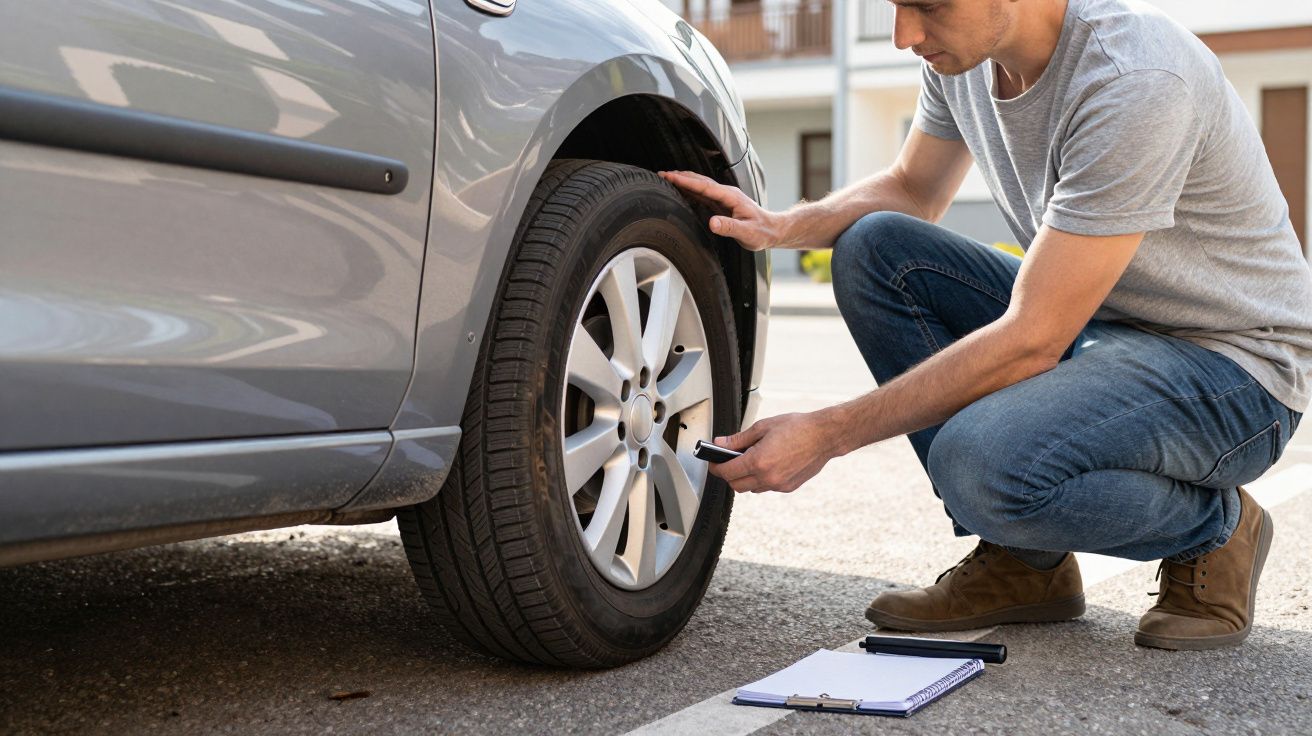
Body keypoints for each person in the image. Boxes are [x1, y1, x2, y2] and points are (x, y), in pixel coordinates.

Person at [659, 0, 1312, 651]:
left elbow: (1033, 341)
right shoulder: (967, 56)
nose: (903, 36)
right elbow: (914, 187)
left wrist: (826, 435)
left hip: (1234, 370)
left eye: (928, 7)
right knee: (875, 248)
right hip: (1101, 326)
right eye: (894, 6)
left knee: (978, 464)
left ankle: (1216, 528)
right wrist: (783, 226)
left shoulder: (1134, 79)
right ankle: (1025, 563)